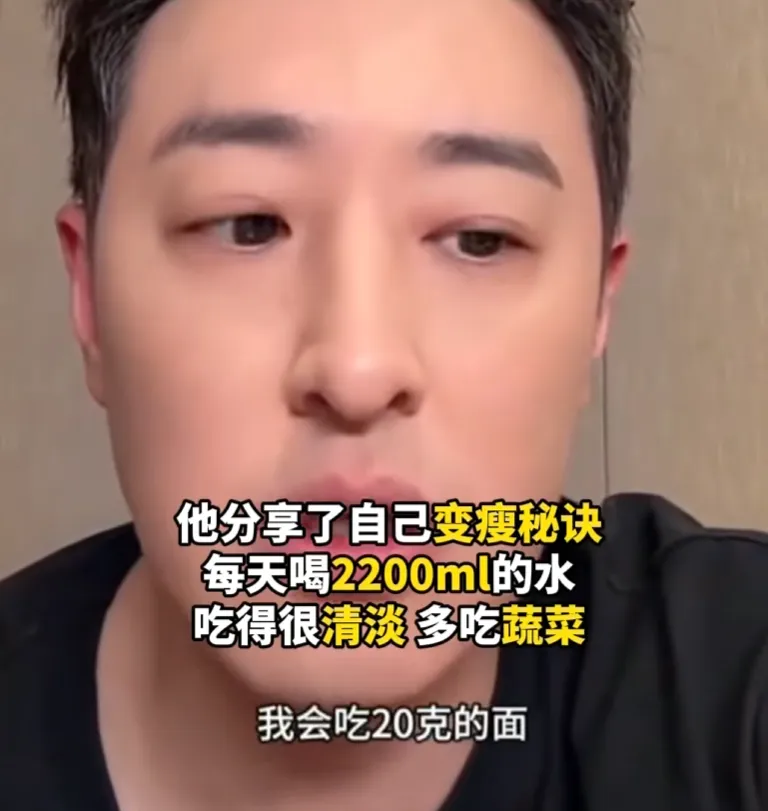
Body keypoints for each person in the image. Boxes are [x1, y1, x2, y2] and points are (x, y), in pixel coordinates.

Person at [2, 0, 768, 808]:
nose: (358, 371)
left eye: (479, 239)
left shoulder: (724, 690)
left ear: (597, 310)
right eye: (248, 225)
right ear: (89, 295)